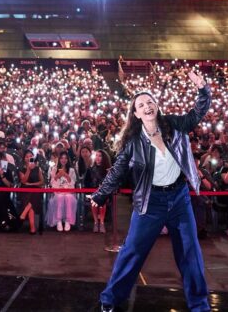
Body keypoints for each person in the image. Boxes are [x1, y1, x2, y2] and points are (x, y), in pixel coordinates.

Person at [90, 70, 212, 312]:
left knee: (190, 253)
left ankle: (200, 305)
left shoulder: (173, 124)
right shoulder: (133, 142)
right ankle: (109, 299)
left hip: (179, 198)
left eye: (150, 102)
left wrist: (203, 90)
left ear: (156, 105)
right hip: (150, 201)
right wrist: (100, 194)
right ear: (135, 114)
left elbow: (197, 113)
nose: (147, 106)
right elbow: (117, 170)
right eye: (141, 105)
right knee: (132, 252)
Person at [47, 151, 77, 231]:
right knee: (59, 197)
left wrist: (66, 175)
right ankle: (58, 220)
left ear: (68, 159)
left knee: (69, 197)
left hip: (68, 191)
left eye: (65, 158)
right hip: (58, 191)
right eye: (62, 158)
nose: (63, 160)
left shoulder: (71, 170)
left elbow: (73, 183)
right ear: (59, 159)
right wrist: (57, 176)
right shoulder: (54, 169)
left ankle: (68, 220)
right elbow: (52, 183)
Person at [18, 149, 44, 234]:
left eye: (31, 156)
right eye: (27, 156)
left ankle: (25, 213)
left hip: (36, 189)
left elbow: (42, 182)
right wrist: (28, 169)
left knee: (34, 196)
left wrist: (32, 184)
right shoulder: (21, 169)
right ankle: (32, 228)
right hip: (25, 190)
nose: (29, 158)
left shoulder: (38, 168)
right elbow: (23, 181)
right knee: (31, 200)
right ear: (24, 159)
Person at [85, 149, 111, 233]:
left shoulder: (108, 170)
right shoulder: (90, 169)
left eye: (100, 156)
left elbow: (110, 183)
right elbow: (87, 182)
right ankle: (96, 222)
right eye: (96, 155)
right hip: (93, 191)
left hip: (104, 193)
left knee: (102, 200)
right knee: (94, 200)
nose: (97, 158)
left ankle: (102, 223)